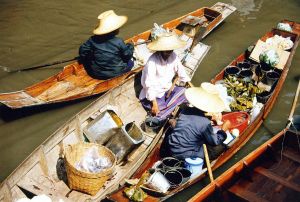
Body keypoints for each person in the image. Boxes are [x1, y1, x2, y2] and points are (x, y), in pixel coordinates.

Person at [161, 84, 231, 160]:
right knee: (219, 148)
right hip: (184, 154)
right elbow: (215, 141)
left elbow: (194, 122)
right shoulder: (205, 123)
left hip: (171, 146)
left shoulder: (185, 110)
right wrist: (223, 129)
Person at [139, 32, 191, 120]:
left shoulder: (173, 56)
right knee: (160, 114)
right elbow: (149, 85)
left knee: (186, 93)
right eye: (167, 51)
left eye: (171, 50)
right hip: (153, 95)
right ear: (161, 50)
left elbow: (181, 71)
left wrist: (190, 85)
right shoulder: (152, 61)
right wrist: (154, 104)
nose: (169, 53)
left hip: (166, 89)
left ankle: (167, 107)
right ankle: (164, 110)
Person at [79, 10, 134, 80]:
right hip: (116, 73)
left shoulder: (92, 39)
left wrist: (91, 56)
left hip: (96, 73)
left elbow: (82, 51)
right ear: (115, 29)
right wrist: (130, 46)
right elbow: (127, 55)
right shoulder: (118, 41)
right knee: (131, 63)